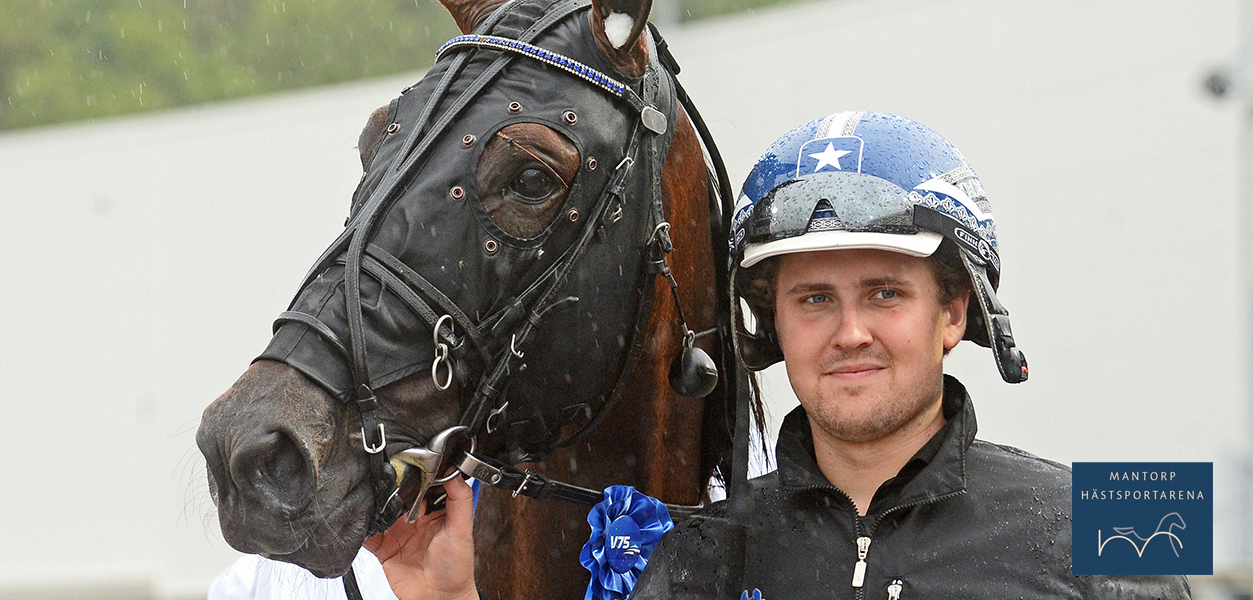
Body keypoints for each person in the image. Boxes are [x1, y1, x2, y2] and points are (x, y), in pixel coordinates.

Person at [366, 112, 1194, 599]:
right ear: (771, 328)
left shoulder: (1125, 517)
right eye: (813, 299)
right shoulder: (675, 559)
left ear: (954, 313)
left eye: (884, 292)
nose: (849, 333)